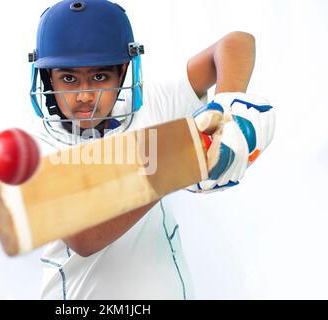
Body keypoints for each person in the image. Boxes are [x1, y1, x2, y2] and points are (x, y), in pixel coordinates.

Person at [27, 0, 275, 299]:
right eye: (68, 79)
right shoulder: (39, 147)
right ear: (47, 79)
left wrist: (227, 107)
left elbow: (236, 42)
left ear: (122, 73)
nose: (85, 95)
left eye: (100, 77)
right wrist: (179, 163)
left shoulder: (149, 107)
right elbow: (84, 236)